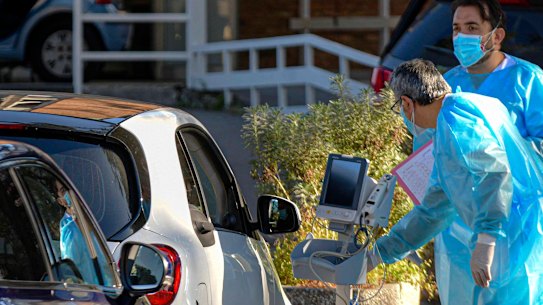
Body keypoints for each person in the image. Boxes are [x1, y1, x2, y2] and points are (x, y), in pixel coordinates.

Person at [368, 59, 543, 305]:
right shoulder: (463, 111)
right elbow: (436, 207)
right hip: (519, 232)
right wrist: (381, 253)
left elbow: (492, 173)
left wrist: (487, 238)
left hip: (510, 235)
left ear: (407, 103)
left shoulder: (456, 123)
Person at [430, 1, 543, 303]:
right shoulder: (448, 85)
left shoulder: (528, 80)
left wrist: (501, 150)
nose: (461, 36)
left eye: (471, 28)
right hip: (459, 226)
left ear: (496, 36)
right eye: (456, 29)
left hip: (519, 222)